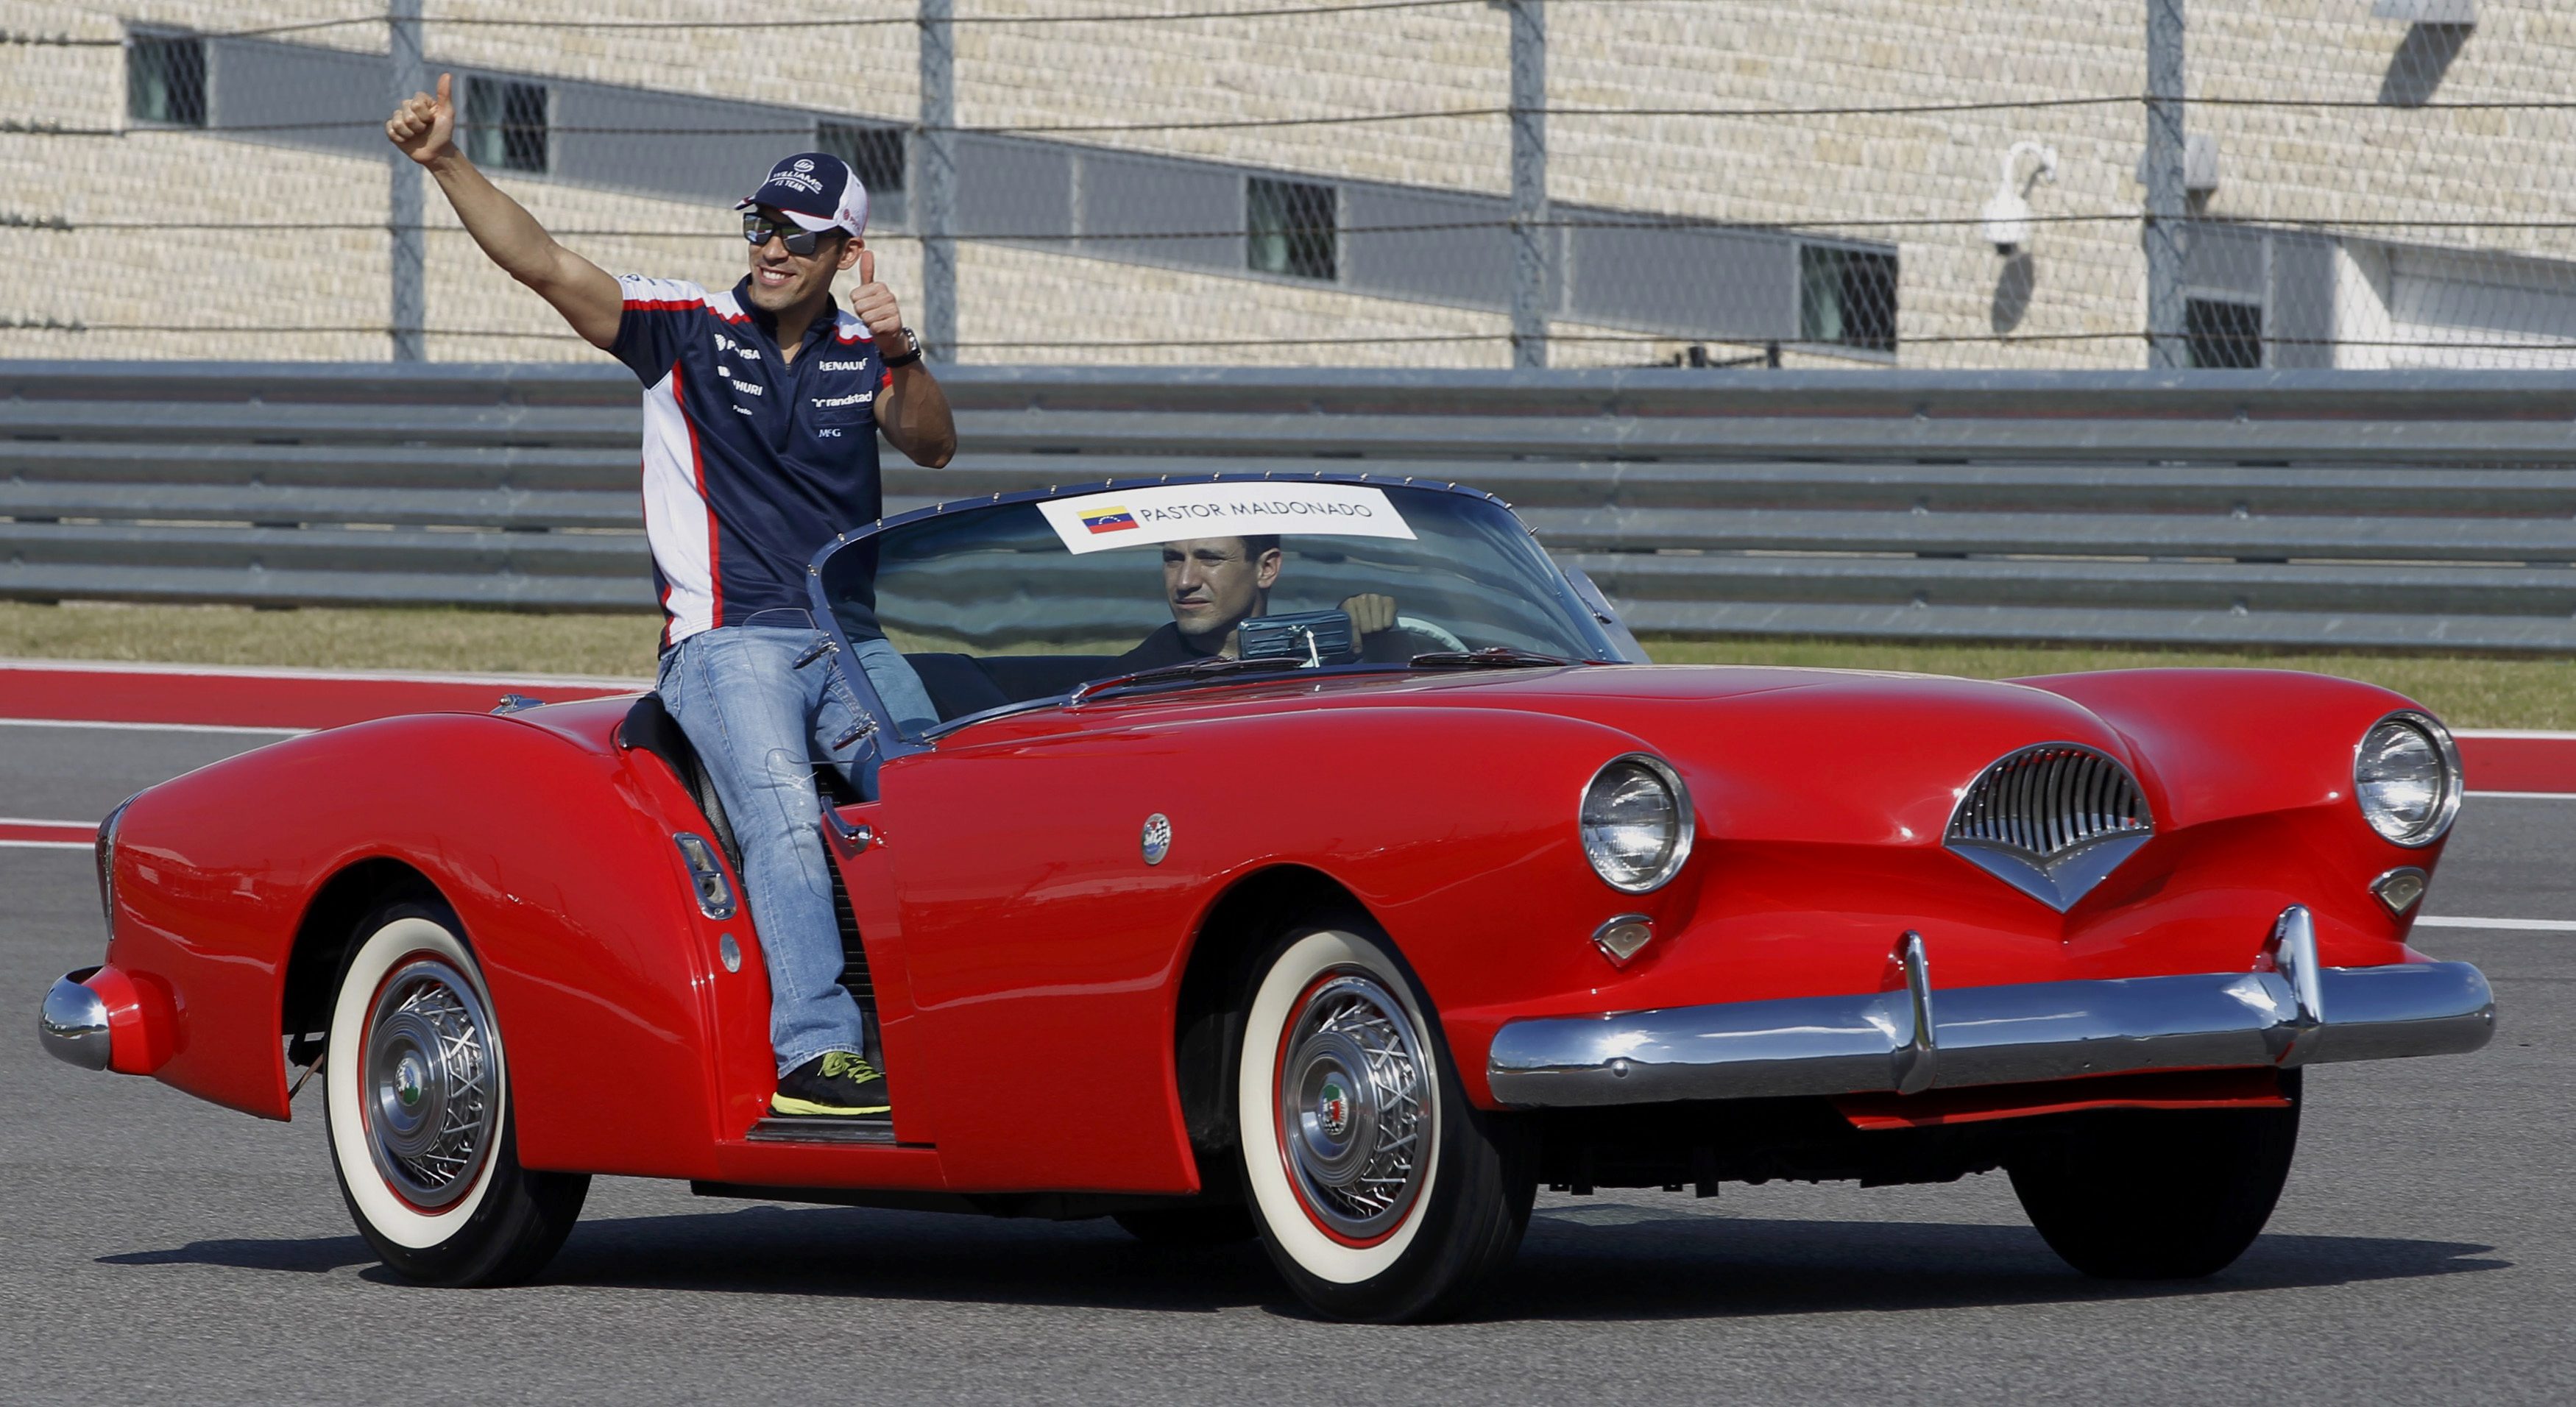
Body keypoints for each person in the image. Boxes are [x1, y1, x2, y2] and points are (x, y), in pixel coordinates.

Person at [388, 75, 955, 1119]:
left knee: (953, 801)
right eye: (759, 225)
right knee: (782, 811)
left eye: (797, 234)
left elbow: (932, 443)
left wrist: (902, 349)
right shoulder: (683, 328)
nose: (771, 248)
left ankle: (964, 1029)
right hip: (726, 644)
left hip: (848, 639)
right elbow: (545, 263)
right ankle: (816, 1053)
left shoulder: (860, 349)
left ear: (847, 255)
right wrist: (446, 165)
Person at [1114, 536, 1398, 669]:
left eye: (1211, 559)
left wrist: (1378, 644)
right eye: (1173, 560)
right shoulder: (1124, 684)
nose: (1185, 582)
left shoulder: (1321, 661)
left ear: (1267, 569)